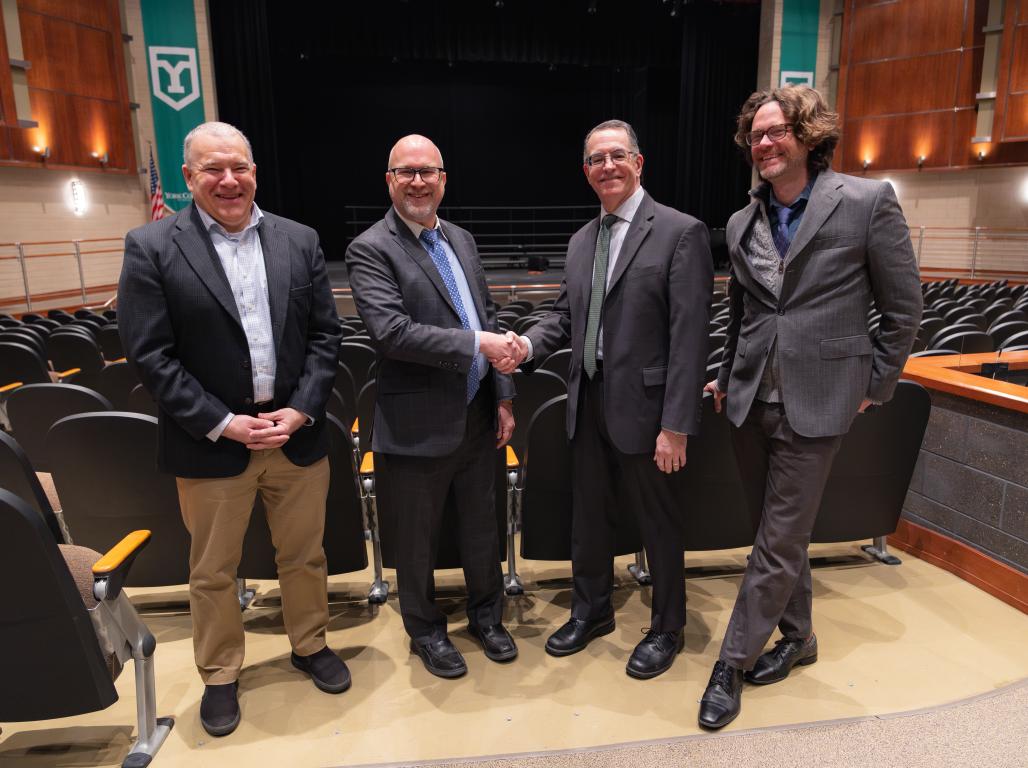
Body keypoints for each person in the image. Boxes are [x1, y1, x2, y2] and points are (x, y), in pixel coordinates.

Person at [697, 86, 922, 729]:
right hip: (748, 402)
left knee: (774, 540)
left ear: (808, 134)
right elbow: (741, 316)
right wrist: (723, 376)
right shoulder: (742, 222)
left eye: (776, 132)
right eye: (755, 136)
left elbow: (904, 308)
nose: (763, 144)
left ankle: (730, 664)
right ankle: (799, 637)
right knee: (778, 534)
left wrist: (874, 384)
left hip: (820, 402)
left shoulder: (865, 202)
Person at [118, 121, 345, 738]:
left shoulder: (299, 240)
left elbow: (326, 337)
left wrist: (299, 409)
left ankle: (310, 643)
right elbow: (150, 355)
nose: (228, 180)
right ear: (188, 178)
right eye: (212, 169)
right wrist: (222, 422)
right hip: (212, 443)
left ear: (254, 171)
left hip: (293, 434)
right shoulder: (152, 246)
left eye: (238, 166)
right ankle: (220, 674)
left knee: (305, 555)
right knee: (213, 571)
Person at [501, 119, 713, 679]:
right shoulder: (581, 240)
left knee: (659, 521)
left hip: (650, 411)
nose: (607, 167)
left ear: (638, 164)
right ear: (587, 171)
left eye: (617, 156)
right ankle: (591, 610)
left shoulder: (679, 232)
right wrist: (524, 344)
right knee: (588, 516)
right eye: (596, 159)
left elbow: (690, 338)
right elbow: (567, 319)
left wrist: (677, 424)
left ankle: (668, 625)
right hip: (588, 399)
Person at [344, 134, 519, 679]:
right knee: (415, 539)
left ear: (443, 179)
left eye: (428, 171)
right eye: (406, 172)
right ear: (389, 181)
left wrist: (505, 396)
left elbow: (485, 313)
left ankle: (487, 617)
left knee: (481, 528)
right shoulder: (370, 248)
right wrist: (476, 346)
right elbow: (391, 333)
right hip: (416, 423)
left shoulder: (461, 239)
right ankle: (424, 630)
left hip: (477, 412)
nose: (418, 181)